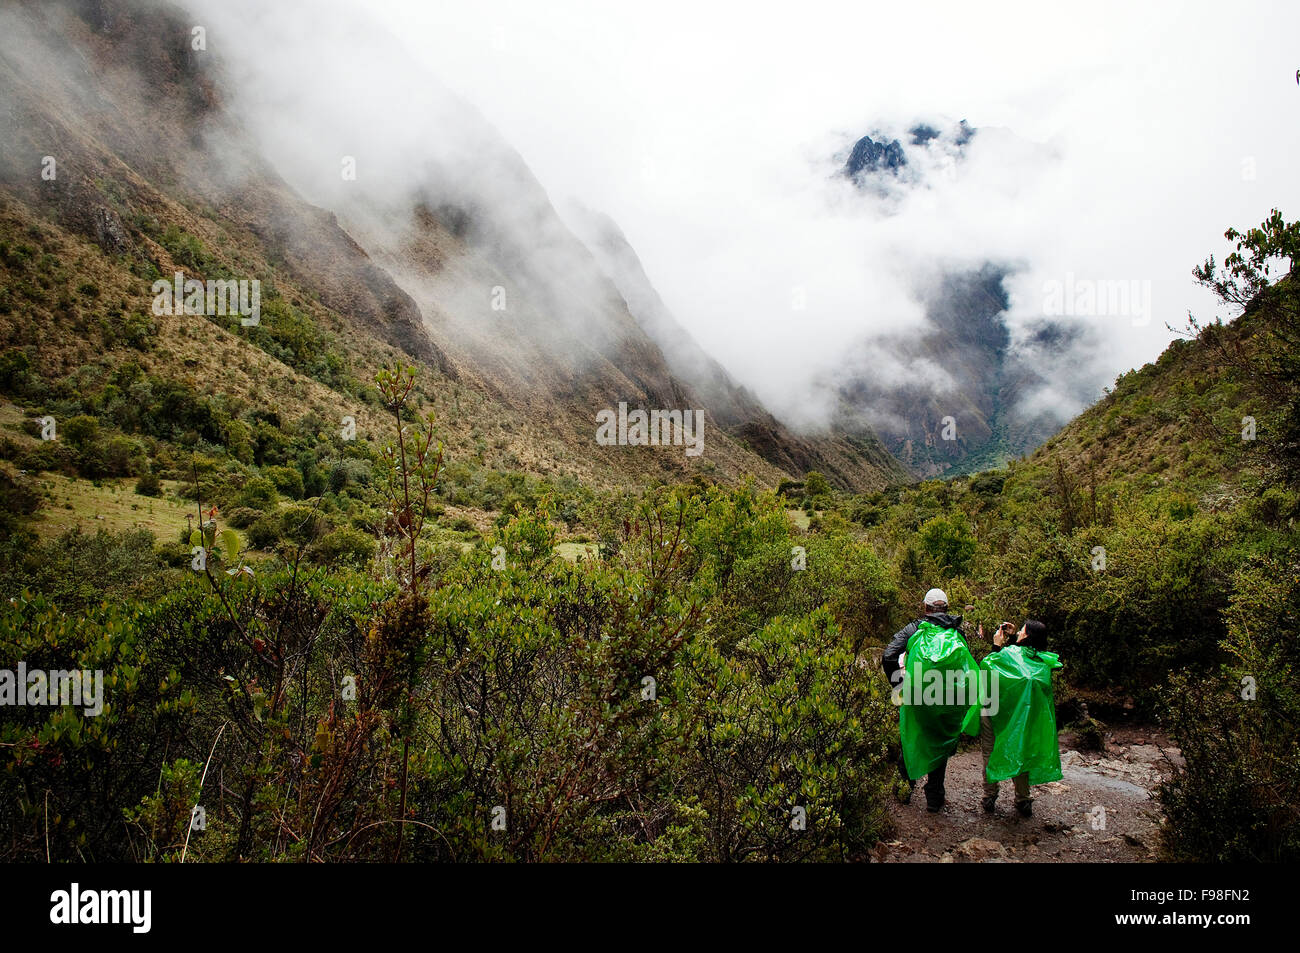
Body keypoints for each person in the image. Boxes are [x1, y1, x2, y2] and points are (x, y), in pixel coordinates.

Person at [882, 588, 979, 812]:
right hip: (947, 701)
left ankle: (904, 789)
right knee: (940, 742)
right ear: (946, 608)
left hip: (918, 697)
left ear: (925, 608)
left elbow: (889, 655)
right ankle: (935, 797)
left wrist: (898, 686)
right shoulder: (957, 632)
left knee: (913, 737)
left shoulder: (915, 629)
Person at [978, 619, 1063, 817]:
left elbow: (988, 667)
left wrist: (997, 646)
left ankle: (990, 795)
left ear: (1026, 635)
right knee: (1021, 752)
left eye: (1022, 630)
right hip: (1023, 719)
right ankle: (1022, 798)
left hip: (995, 710)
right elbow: (1020, 668)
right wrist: (1014, 641)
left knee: (989, 752)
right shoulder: (1042, 663)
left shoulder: (1008, 655)